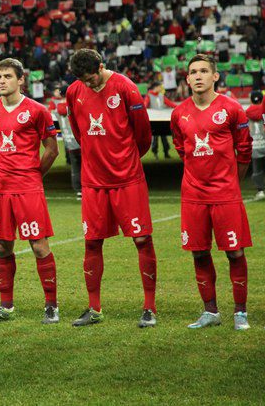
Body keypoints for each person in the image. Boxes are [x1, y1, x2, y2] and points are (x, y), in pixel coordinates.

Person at [66, 49, 158, 328]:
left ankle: (149, 308)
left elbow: (143, 134)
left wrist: (125, 158)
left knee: (141, 239)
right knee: (92, 242)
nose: (88, 83)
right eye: (83, 80)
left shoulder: (126, 87)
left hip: (127, 179)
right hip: (93, 182)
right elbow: (78, 131)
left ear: (101, 67)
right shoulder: (73, 92)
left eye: (91, 78)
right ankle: (94, 308)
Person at [171, 54, 253, 331]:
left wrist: (231, 182)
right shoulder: (178, 113)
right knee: (199, 253)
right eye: (193, 72)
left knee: (235, 253)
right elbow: (182, 149)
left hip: (225, 194)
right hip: (193, 196)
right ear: (187, 79)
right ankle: (210, 311)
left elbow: (244, 150)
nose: (198, 76)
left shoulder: (231, 108)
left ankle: (240, 313)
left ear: (215, 76)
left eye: (204, 71)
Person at [0, 58, 60, 324]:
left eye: (8, 76)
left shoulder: (37, 110)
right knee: (2, 247)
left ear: (21, 79)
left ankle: (51, 306)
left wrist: (34, 174)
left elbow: (52, 150)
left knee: (39, 246)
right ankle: (6, 306)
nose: (2, 81)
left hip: (27, 188)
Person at [55, 86, 82, 200]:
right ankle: (88, 187)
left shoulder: (57, 108)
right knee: (87, 166)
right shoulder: (74, 105)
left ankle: (78, 190)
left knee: (75, 168)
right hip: (80, 140)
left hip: (68, 142)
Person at [144, 81, 177, 159]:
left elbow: (169, 103)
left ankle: (166, 153)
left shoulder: (161, 96)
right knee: (155, 138)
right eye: (160, 87)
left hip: (162, 119)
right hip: (154, 120)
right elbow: (145, 105)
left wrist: (179, 107)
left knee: (164, 137)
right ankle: (155, 153)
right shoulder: (149, 96)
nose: (161, 88)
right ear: (156, 87)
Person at [246, 91, 265, 200]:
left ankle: (260, 191)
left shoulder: (246, 113)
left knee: (257, 170)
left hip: (254, 145)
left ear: (251, 100)